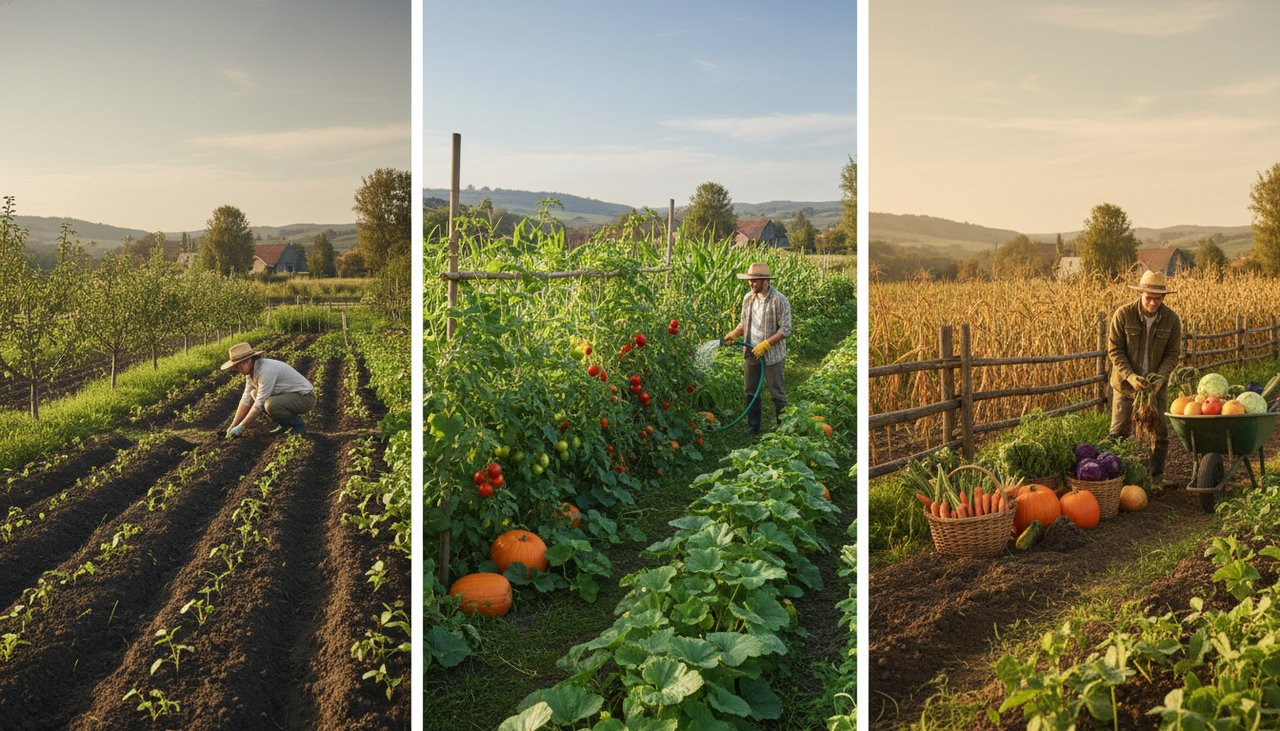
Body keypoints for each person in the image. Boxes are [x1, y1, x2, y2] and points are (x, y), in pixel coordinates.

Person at [1107, 269, 1182, 484]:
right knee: (1118, 432)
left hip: (1154, 386)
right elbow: (1115, 350)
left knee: (1159, 433)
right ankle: (1113, 480)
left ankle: (1156, 478)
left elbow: (1172, 354)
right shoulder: (1123, 315)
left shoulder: (1171, 320)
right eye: (1149, 298)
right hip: (1125, 385)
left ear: (1163, 298)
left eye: (1157, 298)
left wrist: (1160, 377)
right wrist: (1130, 377)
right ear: (1140, 293)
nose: (1153, 303)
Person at [723, 262, 792, 435]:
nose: (751, 284)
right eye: (749, 281)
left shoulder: (779, 300)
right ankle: (753, 427)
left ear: (765, 280)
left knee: (777, 394)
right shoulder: (748, 298)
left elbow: (786, 329)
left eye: (754, 281)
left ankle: (784, 427)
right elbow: (743, 324)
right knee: (751, 392)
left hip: (772, 355)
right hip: (750, 352)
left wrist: (766, 344)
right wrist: (733, 334)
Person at [221, 342, 315, 437]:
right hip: (288, 396)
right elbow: (246, 399)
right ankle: (285, 425)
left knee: (270, 405)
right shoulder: (250, 373)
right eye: (236, 367)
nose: (238, 370)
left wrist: (241, 427)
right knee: (253, 393)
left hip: (304, 397)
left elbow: (259, 404)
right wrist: (233, 425)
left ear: (248, 361)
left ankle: (298, 426)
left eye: (240, 366)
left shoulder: (266, 370)